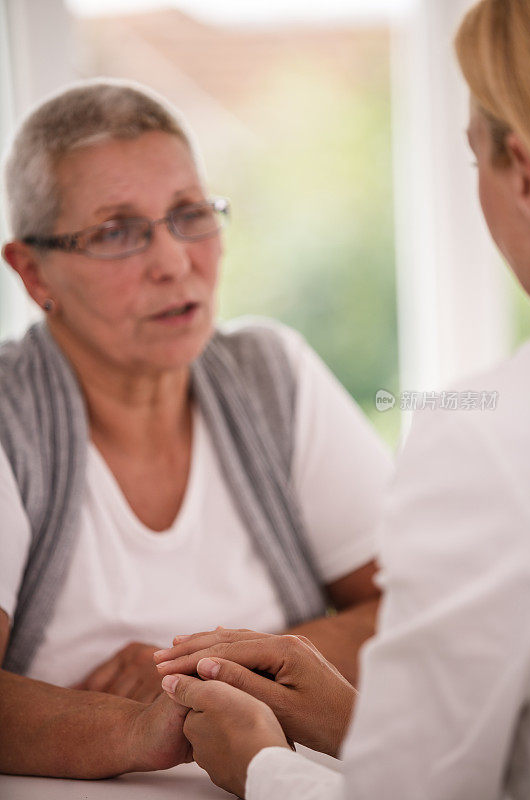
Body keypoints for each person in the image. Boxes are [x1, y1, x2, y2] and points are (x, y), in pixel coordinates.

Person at [156, 1, 530, 797]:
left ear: (521, 172)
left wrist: (260, 766)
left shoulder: (485, 434)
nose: (169, 262)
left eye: (191, 217)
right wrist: (350, 716)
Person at [0, 79, 392, 778]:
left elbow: (409, 609)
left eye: (189, 214)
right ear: (33, 273)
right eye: (116, 232)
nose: (175, 262)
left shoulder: (273, 374)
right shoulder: (9, 413)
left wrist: (217, 670)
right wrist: (140, 726)